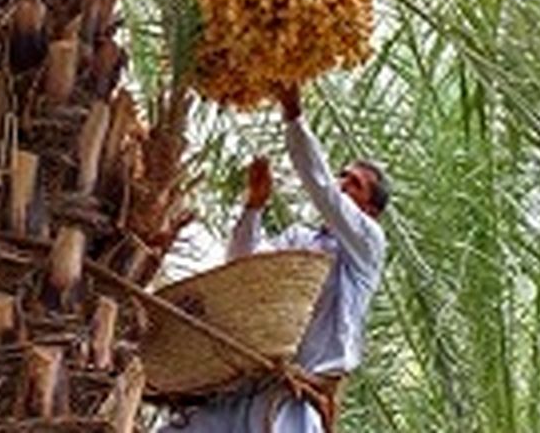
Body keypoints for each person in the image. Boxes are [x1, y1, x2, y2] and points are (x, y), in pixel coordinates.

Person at [159, 85, 390, 432]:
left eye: (354, 184)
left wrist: (294, 115)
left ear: (370, 211)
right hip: (243, 389)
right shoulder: (301, 239)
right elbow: (244, 268)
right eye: (342, 175)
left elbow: (322, 190)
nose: (342, 184)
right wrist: (254, 206)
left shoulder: (366, 247)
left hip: (294, 402)